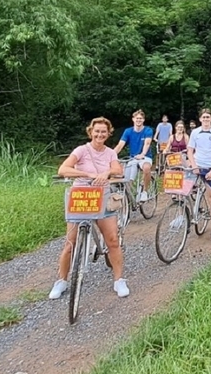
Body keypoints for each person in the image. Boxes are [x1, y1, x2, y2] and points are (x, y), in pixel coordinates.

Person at [50, 117, 129, 299]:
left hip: (103, 196)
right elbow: (63, 169)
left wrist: (107, 172)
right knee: (70, 243)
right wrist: (88, 174)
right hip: (81, 196)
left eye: (103, 132)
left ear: (108, 133)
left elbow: (118, 170)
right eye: (97, 131)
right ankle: (61, 280)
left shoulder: (110, 153)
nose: (100, 134)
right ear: (91, 132)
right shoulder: (81, 150)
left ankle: (119, 280)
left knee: (112, 240)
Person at [187, 108, 211, 245]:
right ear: (200, 119)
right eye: (204, 117)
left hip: (210, 167)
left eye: (208, 117)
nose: (206, 119)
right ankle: (182, 215)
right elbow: (190, 151)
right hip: (197, 165)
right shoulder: (195, 132)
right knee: (184, 191)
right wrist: (193, 165)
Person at [112, 110, 154, 201]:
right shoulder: (128, 131)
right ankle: (129, 196)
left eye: (140, 118)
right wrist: (111, 155)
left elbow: (147, 143)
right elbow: (120, 145)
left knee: (146, 168)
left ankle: (145, 192)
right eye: (137, 118)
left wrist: (142, 154)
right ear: (133, 119)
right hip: (133, 158)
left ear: (143, 120)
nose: (138, 120)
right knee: (126, 178)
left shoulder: (148, 130)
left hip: (145, 156)